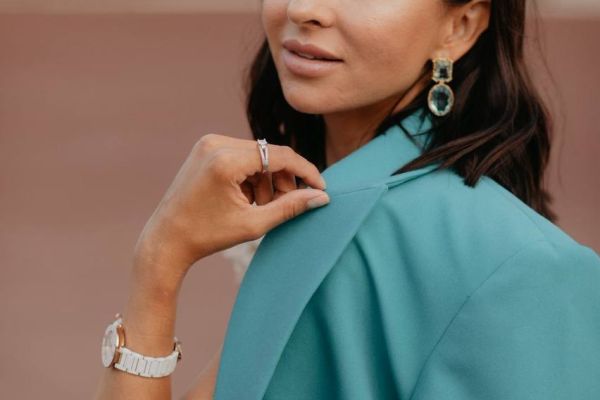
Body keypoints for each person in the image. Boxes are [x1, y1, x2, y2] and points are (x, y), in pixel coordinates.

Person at [93, 0, 600, 399]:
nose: (304, 8)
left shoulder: (524, 269)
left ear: (460, 26)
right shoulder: (318, 211)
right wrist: (159, 261)